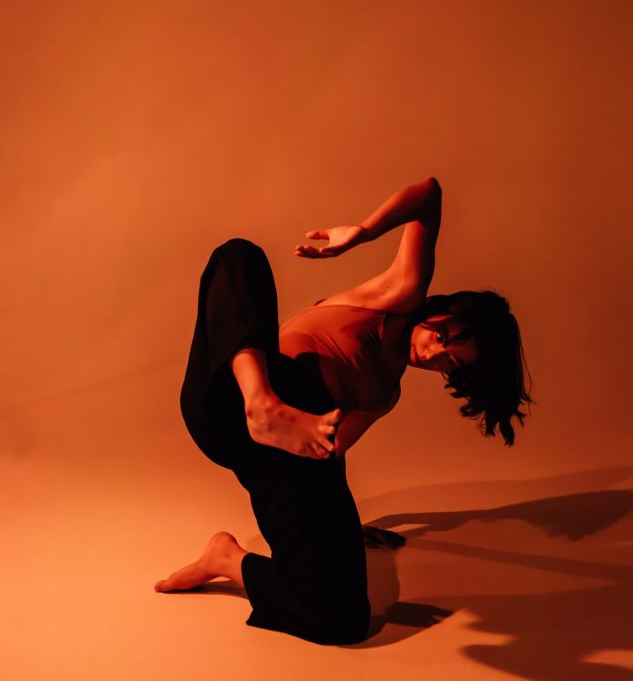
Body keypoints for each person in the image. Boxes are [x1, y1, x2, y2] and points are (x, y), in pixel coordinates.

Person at [154, 177, 532, 645]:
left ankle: (226, 559)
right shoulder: (395, 297)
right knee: (239, 256)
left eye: (451, 362)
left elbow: (328, 452)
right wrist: (364, 232)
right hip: (231, 400)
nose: (435, 355)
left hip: (281, 454)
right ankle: (262, 402)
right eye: (442, 338)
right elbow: (430, 195)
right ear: (440, 314)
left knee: (344, 616)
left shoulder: (384, 395)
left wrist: (341, 528)